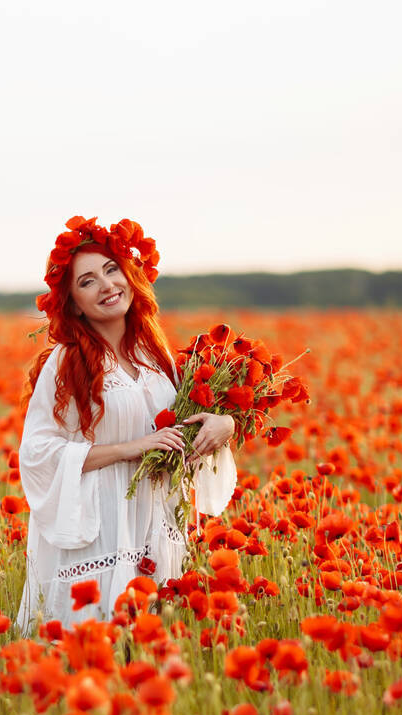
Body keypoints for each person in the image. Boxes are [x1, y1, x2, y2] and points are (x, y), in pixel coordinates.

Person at [15, 216, 237, 635]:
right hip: (101, 530)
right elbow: (38, 453)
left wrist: (224, 423)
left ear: (130, 276)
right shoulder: (67, 362)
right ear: (73, 303)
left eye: (111, 269)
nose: (106, 285)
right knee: (97, 645)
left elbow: (185, 430)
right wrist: (131, 447)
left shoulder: (156, 356)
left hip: (154, 523)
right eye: (87, 281)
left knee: (151, 644)